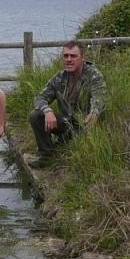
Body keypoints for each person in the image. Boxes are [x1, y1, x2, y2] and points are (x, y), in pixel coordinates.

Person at [28, 40, 106, 168]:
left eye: (73, 56)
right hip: (67, 123)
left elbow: (99, 98)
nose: (69, 59)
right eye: (66, 56)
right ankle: (47, 156)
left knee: (83, 136)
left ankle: (72, 148)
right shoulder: (60, 77)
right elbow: (40, 98)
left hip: (87, 126)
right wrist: (47, 111)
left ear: (82, 57)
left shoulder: (94, 75)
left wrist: (94, 112)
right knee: (35, 115)